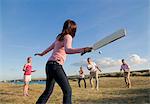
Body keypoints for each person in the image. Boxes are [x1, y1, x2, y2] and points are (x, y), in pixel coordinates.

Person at [34, 19, 92, 104]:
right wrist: (83, 49)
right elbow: (68, 50)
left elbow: (51, 47)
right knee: (68, 91)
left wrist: (42, 54)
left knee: (48, 91)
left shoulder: (59, 37)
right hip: (55, 65)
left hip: (49, 65)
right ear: (72, 29)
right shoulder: (68, 36)